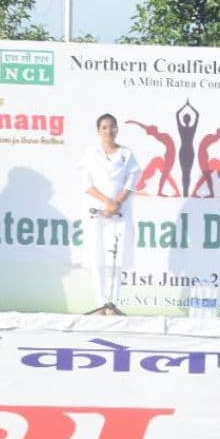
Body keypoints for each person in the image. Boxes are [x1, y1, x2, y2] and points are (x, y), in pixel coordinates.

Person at [80, 113, 140, 311]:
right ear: (99, 131)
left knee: (116, 257)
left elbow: (130, 184)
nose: (109, 131)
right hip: (97, 212)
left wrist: (116, 205)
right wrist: (107, 203)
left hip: (119, 214)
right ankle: (100, 304)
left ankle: (112, 303)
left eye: (112, 127)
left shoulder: (126, 154)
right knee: (97, 256)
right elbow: (87, 185)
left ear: (117, 130)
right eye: (104, 127)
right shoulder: (90, 154)